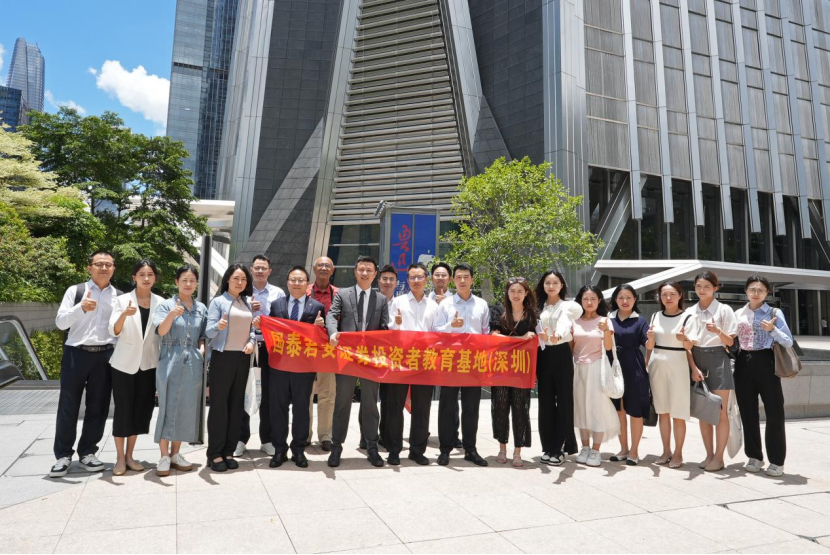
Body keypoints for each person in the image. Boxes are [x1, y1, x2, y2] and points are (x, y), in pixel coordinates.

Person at [50, 251, 121, 478]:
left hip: (105, 355)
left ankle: (88, 452)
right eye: (99, 264)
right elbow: (60, 323)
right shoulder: (76, 291)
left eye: (108, 264)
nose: (104, 268)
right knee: (68, 405)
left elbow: (120, 329)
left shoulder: (119, 296)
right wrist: (80, 307)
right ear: (89, 267)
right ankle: (63, 455)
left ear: (114, 268)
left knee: (98, 406)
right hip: (76, 354)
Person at [326, 256, 390, 468]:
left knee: (370, 404)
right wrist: (333, 333)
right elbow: (332, 316)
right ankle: (336, 447)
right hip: (347, 357)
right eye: (361, 269)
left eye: (369, 270)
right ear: (355, 271)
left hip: (370, 359)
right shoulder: (343, 294)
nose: (365, 273)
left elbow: (384, 329)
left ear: (375, 274)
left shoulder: (381, 299)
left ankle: (372, 447)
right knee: (342, 403)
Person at [107, 259, 163, 476]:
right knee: (123, 410)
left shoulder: (161, 302)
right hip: (124, 364)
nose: (146, 278)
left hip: (149, 364)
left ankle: (130, 455)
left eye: (150, 274)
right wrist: (124, 315)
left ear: (155, 278)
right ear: (134, 277)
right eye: (142, 275)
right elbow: (113, 330)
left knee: (141, 410)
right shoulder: (122, 301)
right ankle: (120, 458)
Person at [267, 266, 326, 469]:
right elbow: (271, 331)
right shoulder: (276, 305)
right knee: (278, 409)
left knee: (301, 409)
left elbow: (323, 339)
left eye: (301, 280)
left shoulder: (316, 306)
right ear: (287, 282)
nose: (297, 283)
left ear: (307, 284)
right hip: (280, 367)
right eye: (293, 279)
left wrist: (320, 327)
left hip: (304, 368)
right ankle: (279, 450)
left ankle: (299, 450)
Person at [734, 275, 793, 478]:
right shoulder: (738, 313)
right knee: (747, 411)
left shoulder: (774, 312)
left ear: (767, 292)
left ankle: (776, 461)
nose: (756, 293)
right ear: (746, 291)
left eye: (760, 290)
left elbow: (788, 341)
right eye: (752, 289)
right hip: (743, 362)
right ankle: (754, 456)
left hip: (767, 361)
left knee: (774, 412)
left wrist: (772, 329)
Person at [434, 263, 490, 467]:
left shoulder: (482, 305)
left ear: (472, 279)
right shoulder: (445, 305)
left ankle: (470, 449)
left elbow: (485, 333)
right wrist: (451, 326)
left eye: (466, 276)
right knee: (447, 406)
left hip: (473, 361)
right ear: (453, 280)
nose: (463, 280)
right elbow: (436, 331)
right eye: (458, 277)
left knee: (471, 407)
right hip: (450, 359)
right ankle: (445, 449)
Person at [153, 265, 207, 477]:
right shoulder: (166, 305)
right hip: (170, 356)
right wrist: (172, 315)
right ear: (176, 282)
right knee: (167, 405)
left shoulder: (201, 308)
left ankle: (176, 453)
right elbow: (161, 331)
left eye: (192, 280)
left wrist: (201, 351)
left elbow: (202, 335)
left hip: (192, 359)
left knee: (185, 405)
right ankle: (163, 455)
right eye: (184, 280)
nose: (188, 284)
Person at [683, 271, 738, 473]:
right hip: (696, 358)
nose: (702, 290)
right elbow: (687, 345)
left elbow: (730, 342)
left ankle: (719, 457)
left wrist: (717, 331)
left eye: (706, 286)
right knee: (704, 411)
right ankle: (708, 454)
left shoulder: (724, 310)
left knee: (721, 411)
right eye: (698, 286)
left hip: (718, 358)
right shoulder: (690, 311)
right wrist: (693, 367)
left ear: (715, 288)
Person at [387, 263, 440, 466]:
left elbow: (437, 333)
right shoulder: (398, 301)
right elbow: (389, 329)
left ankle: (417, 450)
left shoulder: (433, 306)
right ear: (407, 280)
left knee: (422, 407)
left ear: (426, 279)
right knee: (395, 406)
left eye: (419, 277)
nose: (416, 281)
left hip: (425, 362)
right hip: (400, 360)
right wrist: (397, 323)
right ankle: (394, 450)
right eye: (412, 277)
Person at [205, 264, 257, 472]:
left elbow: (252, 330)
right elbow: (208, 333)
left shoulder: (247, 303)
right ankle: (215, 454)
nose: (240, 282)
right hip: (222, 358)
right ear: (227, 279)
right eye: (236, 278)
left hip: (242, 358)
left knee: (236, 406)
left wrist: (251, 342)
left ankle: (228, 450)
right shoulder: (218, 302)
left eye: (243, 279)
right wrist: (217, 326)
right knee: (219, 406)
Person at [235, 255, 285, 458]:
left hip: (269, 347)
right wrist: (249, 309)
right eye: (257, 268)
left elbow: (282, 321)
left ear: (270, 271)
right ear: (251, 269)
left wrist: (266, 318)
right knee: (243, 391)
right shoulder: (242, 292)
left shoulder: (278, 293)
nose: (260, 271)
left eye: (264, 268)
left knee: (269, 394)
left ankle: (267, 440)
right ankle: (240, 438)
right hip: (245, 346)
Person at [491, 277, 538, 467]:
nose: (516, 295)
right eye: (512, 291)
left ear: (526, 293)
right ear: (507, 293)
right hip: (501, 367)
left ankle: (517, 451)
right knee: (500, 407)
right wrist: (521, 339)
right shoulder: (498, 311)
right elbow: (493, 337)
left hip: (522, 368)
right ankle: (502, 448)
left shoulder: (533, 315)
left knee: (521, 409)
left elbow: (535, 341)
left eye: (520, 291)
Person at [535, 271, 581, 466]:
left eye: (555, 282)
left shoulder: (569, 306)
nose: (551, 286)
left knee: (564, 401)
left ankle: (560, 447)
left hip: (561, 353)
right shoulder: (537, 307)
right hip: (543, 354)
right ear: (543, 285)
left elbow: (564, 322)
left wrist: (558, 336)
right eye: (548, 282)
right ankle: (548, 447)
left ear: (562, 285)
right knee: (545, 402)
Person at [571, 285, 619, 468]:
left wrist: (606, 330)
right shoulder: (574, 321)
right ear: (580, 301)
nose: (589, 302)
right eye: (585, 299)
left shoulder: (605, 320)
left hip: (597, 367)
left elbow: (608, 347)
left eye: (593, 299)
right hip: (578, 368)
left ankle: (596, 450)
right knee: (581, 408)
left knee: (597, 408)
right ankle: (584, 447)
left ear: (599, 300)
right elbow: (571, 347)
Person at [646, 282, 693, 469]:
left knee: (678, 413)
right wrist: (650, 340)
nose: (668, 298)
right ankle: (666, 451)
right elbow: (649, 346)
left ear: (680, 295)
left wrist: (685, 339)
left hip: (678, 365)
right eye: (664, 294)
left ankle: (678, 452)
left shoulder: (688, 317)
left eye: (672, 294)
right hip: (657, 365)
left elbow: (690, 347)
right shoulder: (655, 316)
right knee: (662, 411)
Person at [607, 285, 650, 466]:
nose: (624, 301)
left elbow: (648, 344)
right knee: (619, 410)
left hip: (634, 366)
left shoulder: (640, 320)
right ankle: (623, 449)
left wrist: (652, 338)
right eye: (620, 297)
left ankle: (634, 451)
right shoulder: (608, 319)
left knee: (635, 410)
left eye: (628, 297)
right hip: (613, 366)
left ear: (634, 299)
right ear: (615, 299)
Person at [429, 262, 463, 450]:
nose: (440, 278)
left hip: (450, 355)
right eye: (437, 275)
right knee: (423, 396)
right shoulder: (424, 299)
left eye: (444, 275)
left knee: (450, 397)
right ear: (431, 278)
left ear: (450, 279)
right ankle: (421, 432)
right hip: (427, 353)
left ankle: (453, 434)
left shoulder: (456, 300)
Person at [307, 256, 339, 452]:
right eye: (320, 265)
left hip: (329, 351)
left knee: (327, 394)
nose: (324, 268)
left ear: (332, 270)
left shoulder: (338, 294)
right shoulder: (304, 291)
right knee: (305, 394)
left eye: (328, 265)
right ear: (314, 268)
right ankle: (305, 434)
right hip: (306, 350)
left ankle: (326, 435)